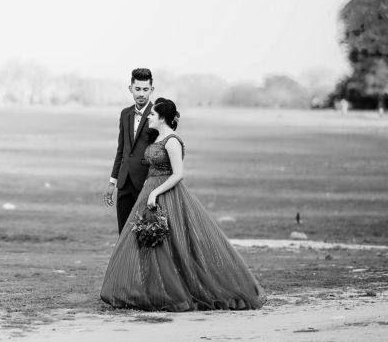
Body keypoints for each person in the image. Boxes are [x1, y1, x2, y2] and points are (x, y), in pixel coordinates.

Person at [100, 98, 265, 311]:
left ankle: (177, 290)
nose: (149, 116)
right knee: (145, 242)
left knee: (171, 243)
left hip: (167, 194)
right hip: (149, 192)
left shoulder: (172, 141)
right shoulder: (157, 137)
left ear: (161, 118)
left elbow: (178, 174)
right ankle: (146, 289)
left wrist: (156, 193)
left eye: (152, 115)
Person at [104, 68, 155, 234]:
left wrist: (152, 180)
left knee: (145, 234)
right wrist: (112, 182)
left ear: (151, 90)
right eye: (137, 89)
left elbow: (161, 151)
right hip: (124, 183)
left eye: (145, 89)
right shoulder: (125, 114)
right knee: (124, 234)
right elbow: (121, 150)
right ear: (130, 89)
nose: (141, 93)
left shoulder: (157, 114)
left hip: (146, 183)